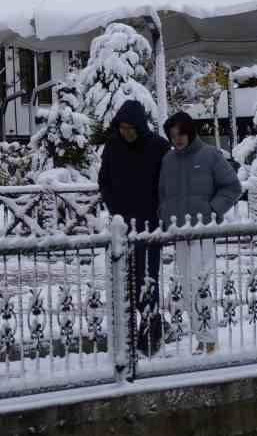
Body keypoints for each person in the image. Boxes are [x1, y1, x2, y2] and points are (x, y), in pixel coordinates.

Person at [158, 111, 242, 354]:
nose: (178, 139)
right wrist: (164, 215)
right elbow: (162, 193)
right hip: (179, 234)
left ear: (190, 132)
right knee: (185, 287)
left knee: (200, 285)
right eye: (173, 135)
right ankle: (201, 338)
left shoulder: (210, 155)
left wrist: (212, 210)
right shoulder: (168, 160)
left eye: (181, 133)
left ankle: (209, 339)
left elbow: (233, 186)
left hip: (202, 232)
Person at [98, 99, 169, 353]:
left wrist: (162, 211)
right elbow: (103, 180)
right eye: (122, 128)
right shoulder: (113, 146)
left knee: (147, 277)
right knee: (125, 277)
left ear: (140, 126)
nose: (125, 132)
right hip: (123, 225)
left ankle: (151, 328)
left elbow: (168, 182)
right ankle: (131, 330)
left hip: (149, 224)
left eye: (130, 128)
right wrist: (114, 208)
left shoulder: (158, 147)